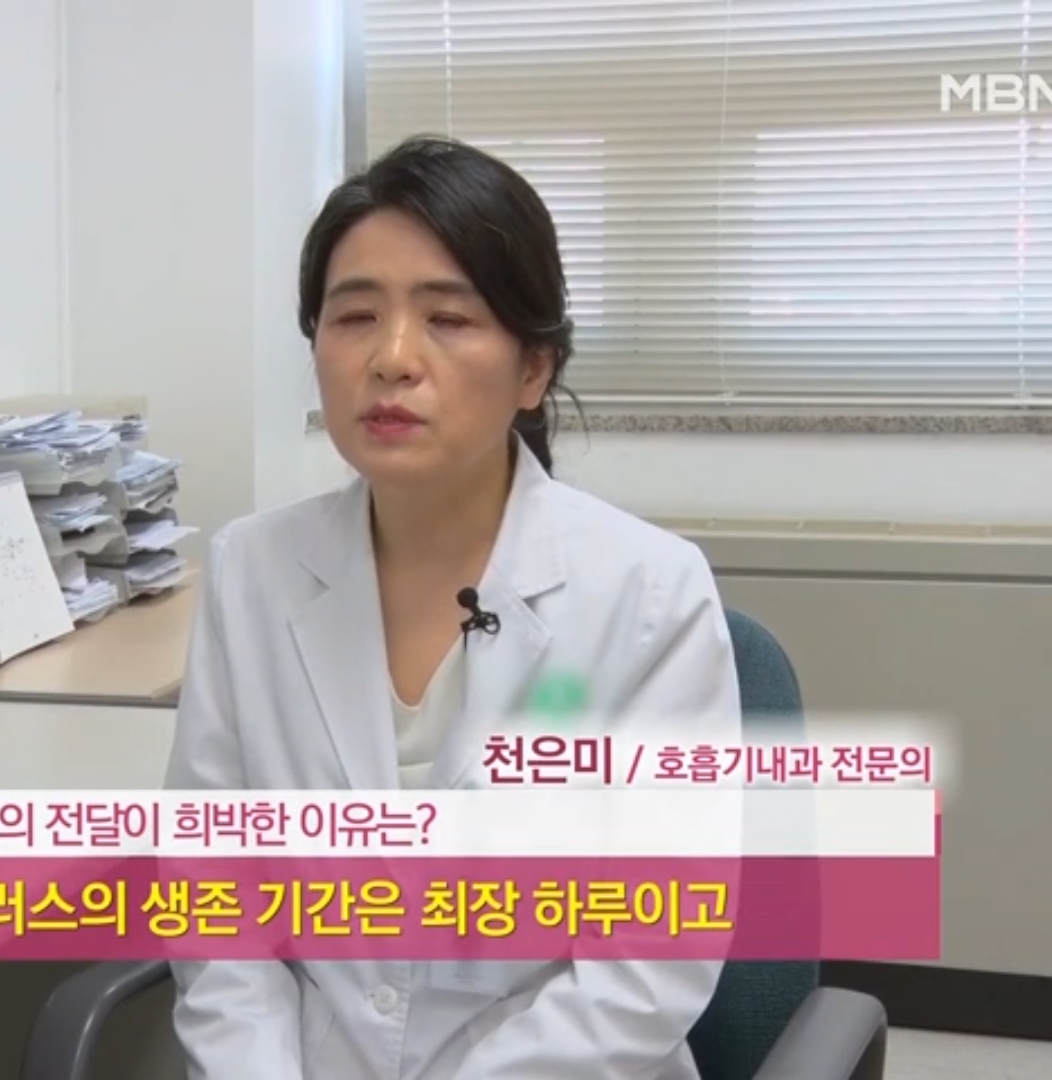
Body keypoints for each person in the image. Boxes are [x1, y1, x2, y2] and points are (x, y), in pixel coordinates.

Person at [163, 135, 744, 1079]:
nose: (393, 359)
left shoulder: (650, 592)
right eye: (356, 316)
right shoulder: (250, 571)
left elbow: (648, 965)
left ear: (533, 369)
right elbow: (215, 903)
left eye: (448, 318)